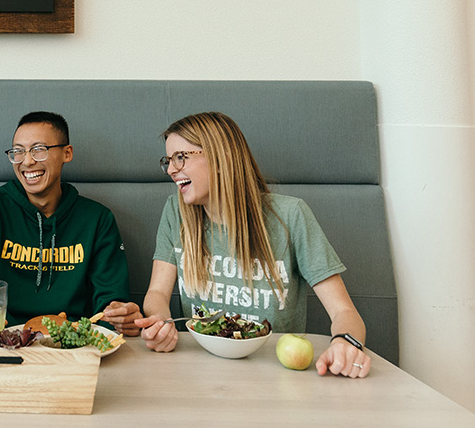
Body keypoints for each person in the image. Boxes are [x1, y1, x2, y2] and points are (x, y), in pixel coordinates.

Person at [135, 112, 372, 378]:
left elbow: (344, 311)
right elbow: (156, 293)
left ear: (219, 158)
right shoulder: (175, 213)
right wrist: (161, 323)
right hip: (200, 369)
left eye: (180, 157)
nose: (170, 170)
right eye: (167, 161)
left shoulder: (290, 216)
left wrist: (345, 343)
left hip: (277, 373)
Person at [0, 111, 143, 334]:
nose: (27, 161)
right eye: (18, 152)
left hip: (72, 343)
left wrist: (118, 315)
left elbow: (111, 301)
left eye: (39, 150)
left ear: (67, 153)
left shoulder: (97, 219)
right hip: (1, 339)